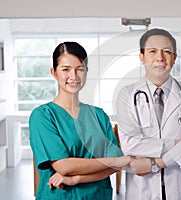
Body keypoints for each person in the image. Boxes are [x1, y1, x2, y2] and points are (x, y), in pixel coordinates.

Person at [29, 41, 133, 200]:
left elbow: (113, 168)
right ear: (54, 72)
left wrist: (77, 178)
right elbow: (63, 166)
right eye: (66, 69)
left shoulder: (98, 115)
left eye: (80, 69)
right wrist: (114, 161)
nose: (74, 76)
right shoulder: (43, 116)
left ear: (86, 71)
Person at [116, 28, 181, 199]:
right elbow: (130, 144)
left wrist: (155, 163)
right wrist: (177, 143)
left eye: (166, 51)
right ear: (142, 57)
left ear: (174, 58)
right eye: (152, 51)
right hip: (142, 191)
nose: (160, 57)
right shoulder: (127, 94)